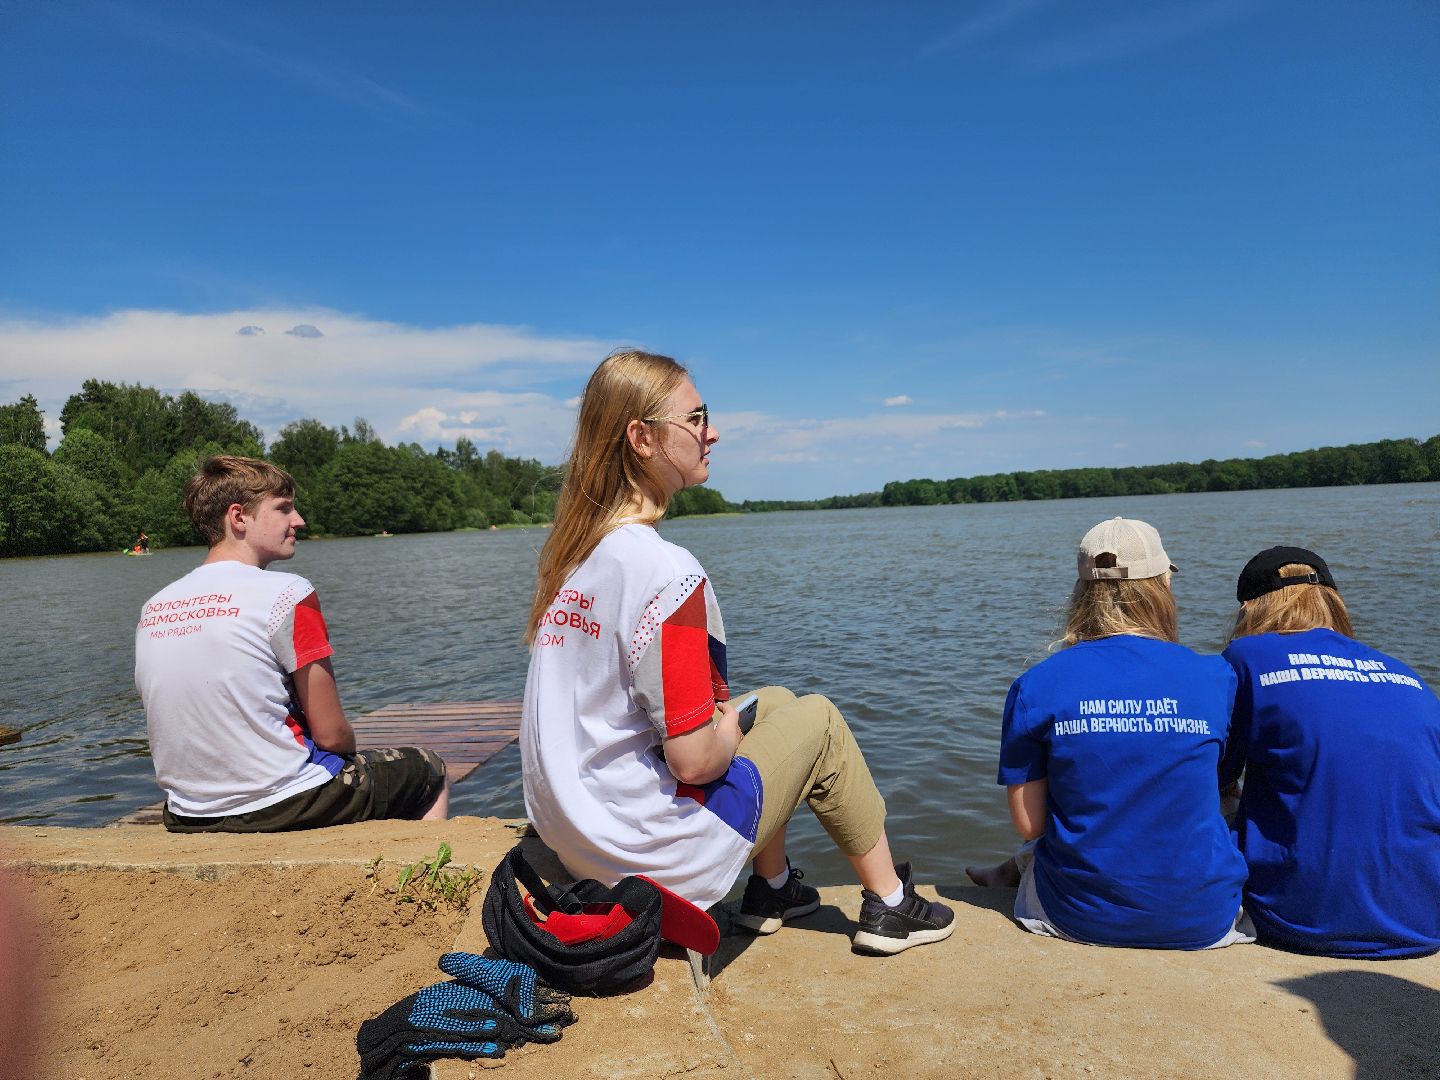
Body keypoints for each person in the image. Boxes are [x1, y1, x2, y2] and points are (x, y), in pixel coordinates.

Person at [520, 350, 953, 955]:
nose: (712, 431)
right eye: (696, 418)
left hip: (579, 839)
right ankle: (891, 905)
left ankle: (772, 889)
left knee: (771, 702)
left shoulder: (575, 561)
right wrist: (725, 726)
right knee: (820, 719)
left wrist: (731, 719)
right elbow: (695, 761)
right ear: (642, 438)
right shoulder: (665, 571)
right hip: (648, 858)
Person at [967, 517, 1252, 950]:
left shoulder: (1038, 684)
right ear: (1162, 586)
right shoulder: (1216, 675)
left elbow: (1030, 823)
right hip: (1204, 917)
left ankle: (1006, 875)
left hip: (1079, 915)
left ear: (1082, 593)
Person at [134, 455, 448, 832]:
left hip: (187, 813)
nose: (298, 520)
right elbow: (332, 735)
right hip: (284, 803)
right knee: (429, 768)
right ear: (238, 517)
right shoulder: (287, 592)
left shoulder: (156, 605)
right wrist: (350, 753)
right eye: (283, 509)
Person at [1220, 546, 1440, 959]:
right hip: (1426, 917)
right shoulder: (1405, 674)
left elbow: (1212, 775)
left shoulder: (1246, 657)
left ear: (1251, 609)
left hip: (1302, 918)